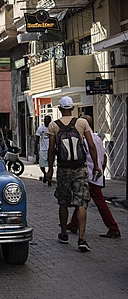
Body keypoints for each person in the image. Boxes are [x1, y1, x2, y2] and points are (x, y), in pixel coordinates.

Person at [46, 96, 102, 252]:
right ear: (72, 107)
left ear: (60, 109)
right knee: (81, 202)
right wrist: (96, 165)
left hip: (63, 169)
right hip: (80, 169)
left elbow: (51, 150)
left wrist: (50, 169)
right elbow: (91, 146)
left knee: (63, 202)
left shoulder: (53, 125)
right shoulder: (82, 123)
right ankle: (82, 238)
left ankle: (64, 234)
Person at [66, 115, 120, 239]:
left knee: (98, 202)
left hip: (88, 175)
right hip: (95, 174)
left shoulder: (85, 139)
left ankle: (113, 227)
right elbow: (104, 157)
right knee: (82, 200)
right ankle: (73, 224)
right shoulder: (97, 138)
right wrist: (101, 169)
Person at [35, 115, 52, 186]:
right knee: (42, 165)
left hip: (50, 149)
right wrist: (36, 149)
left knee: (50, 165)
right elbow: (37, 139)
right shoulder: (40, 128)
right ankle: (45, 174)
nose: (46, 121)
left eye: (47, 120)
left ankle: (49, 180)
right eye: (45, 120)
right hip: (42, 149)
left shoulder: (52, 128)